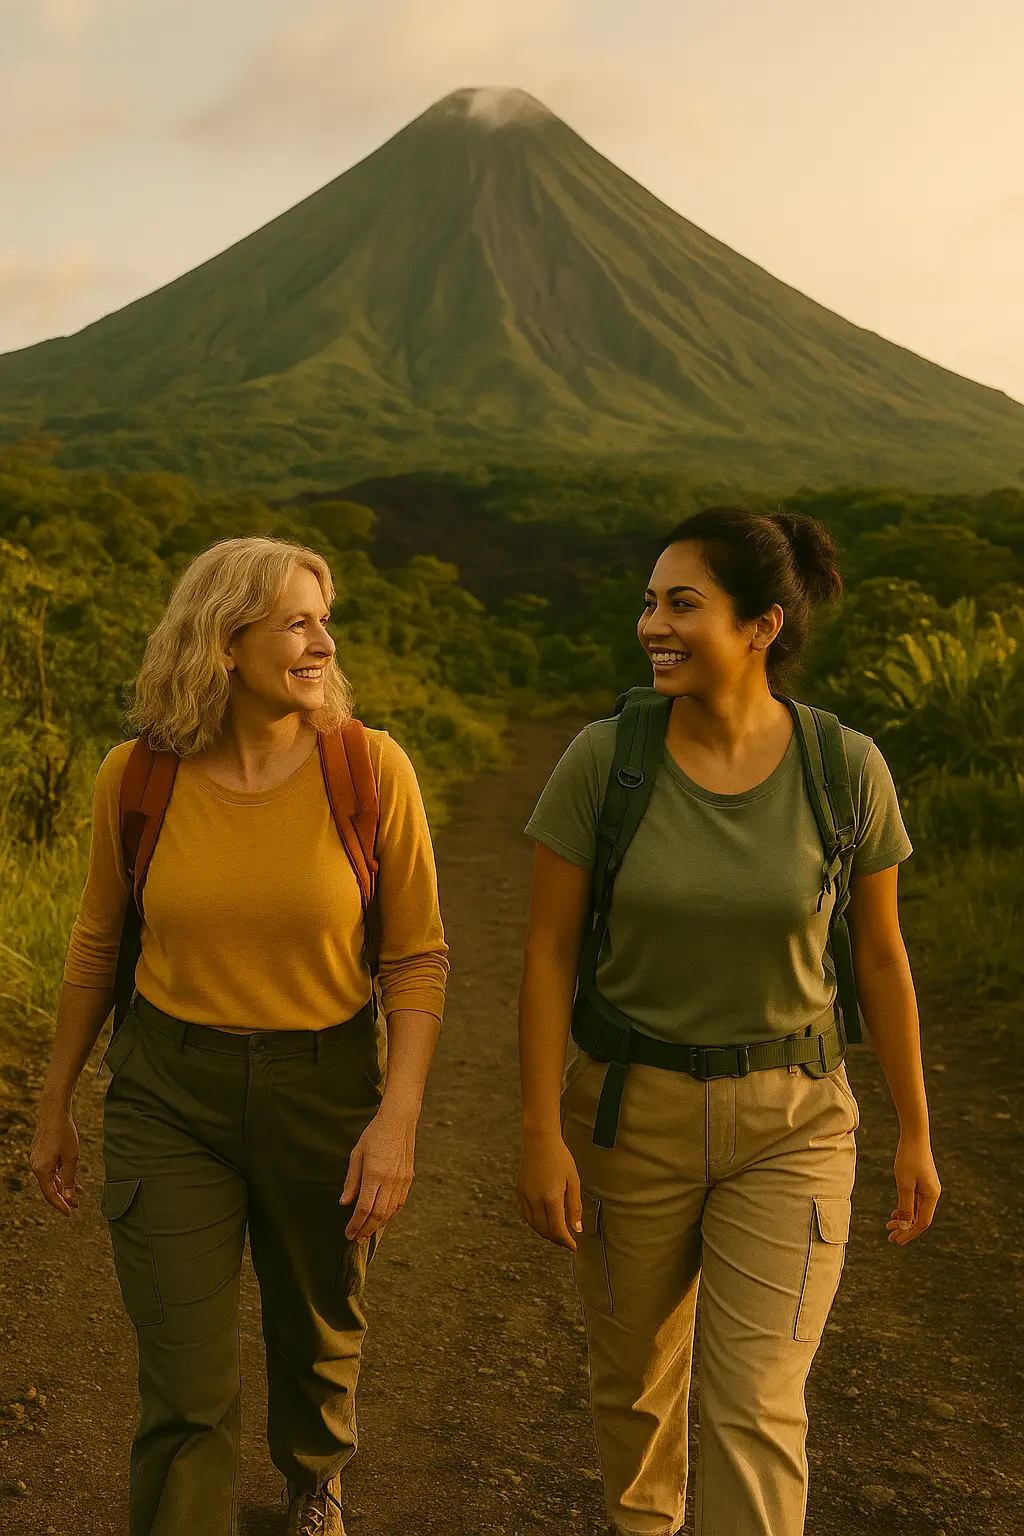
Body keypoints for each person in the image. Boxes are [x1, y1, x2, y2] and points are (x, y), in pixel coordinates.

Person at [516, 506, 940, 1536]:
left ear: (762, 626)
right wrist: (537, 1133)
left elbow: (880, 958)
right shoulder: (604, 760)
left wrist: (914, 1130)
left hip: (792, 1122)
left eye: (681, 604)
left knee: (753, 1406)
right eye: (648, 603)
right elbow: (547, 952)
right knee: (635, 1393)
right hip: (628, 1114)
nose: (651, 624)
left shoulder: (845, 769)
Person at [29, 536, 448, 1536]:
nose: (322, 640)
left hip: (324, 1083)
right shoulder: (136, 777)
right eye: (297, 621)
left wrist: (397, 1118)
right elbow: (97, 945)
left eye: (323, 617)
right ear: (222, 642)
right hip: (170, 1094)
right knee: (187, 1376)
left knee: (316, 1336)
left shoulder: (370, 769)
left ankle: (314, 1483)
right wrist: (53, 1105)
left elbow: (415, 959)